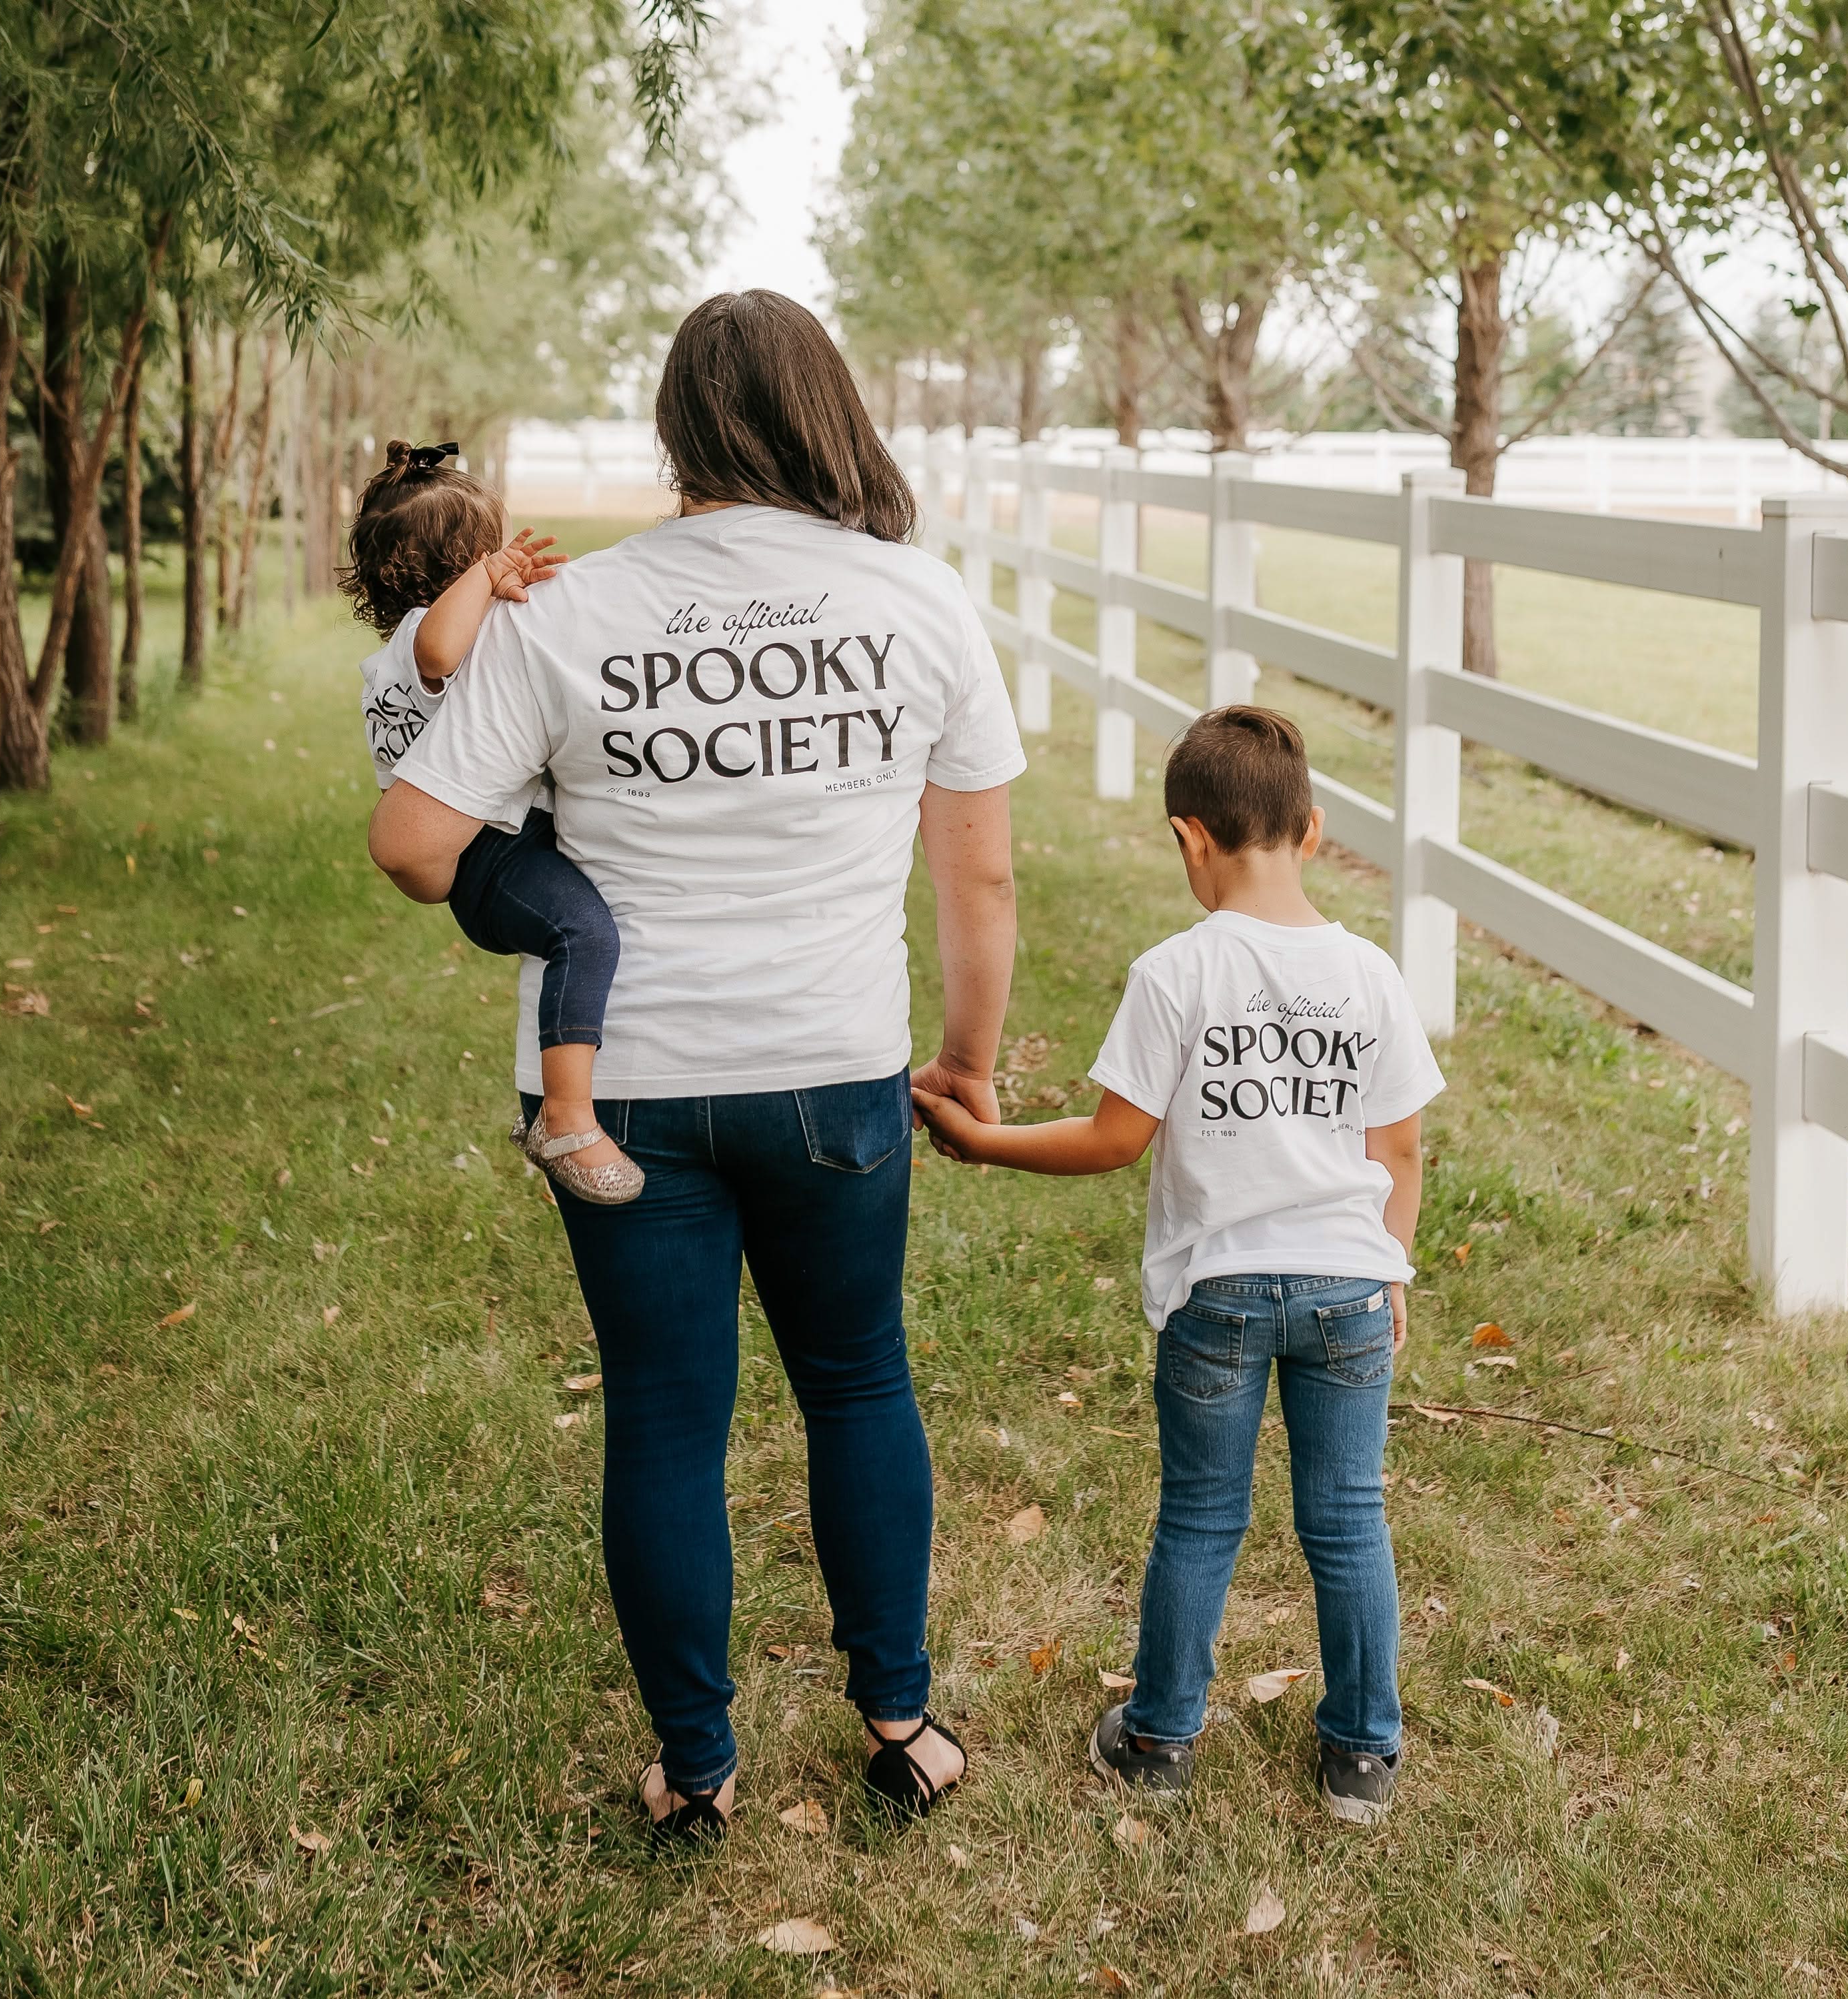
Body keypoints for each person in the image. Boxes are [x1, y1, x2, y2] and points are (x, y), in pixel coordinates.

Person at [366, 291, 1024, 1842]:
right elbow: (979, 879)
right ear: (826, 412)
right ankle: (902, 1720)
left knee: (666, 1414)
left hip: (626, 1084)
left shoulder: (569, 609)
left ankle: (694, 1766)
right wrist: (967, 1063)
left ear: (675, 432)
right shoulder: (916, 599)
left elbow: (410, 843)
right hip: (835, 1069)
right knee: (857, 1379)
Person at [914, 706, 1442, 1825]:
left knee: (1202, 1517)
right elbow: (1397, 1149)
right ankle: (1362, 1756)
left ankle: (1158, 1740)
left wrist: (986, 1142)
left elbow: (1115, 1139)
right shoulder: (1371, 973)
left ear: (1188, 838)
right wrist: (1388, 1270)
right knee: (1348, 1518)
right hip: (1350, 1287)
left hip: (1224, 1293)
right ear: (1312, 832)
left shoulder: (1177, 973)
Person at [347, 440, 642, 1202]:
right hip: (489, 851)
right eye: (490, 553)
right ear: (462, 563)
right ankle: (566, 1119)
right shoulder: (425, 635)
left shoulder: (389, 658)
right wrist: (488, 580)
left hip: (479, 857)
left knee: (574, 937)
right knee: (587, 934)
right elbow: (445, 644)